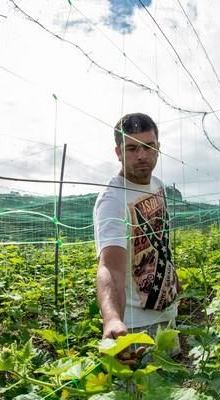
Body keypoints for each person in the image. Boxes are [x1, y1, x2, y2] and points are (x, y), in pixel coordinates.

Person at [93, 112, 180, 342]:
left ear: (158, 147)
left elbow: (160, 240)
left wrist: (173, 280)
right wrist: (112, 319)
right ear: (118, 153)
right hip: (135, 328)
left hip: (167, 314)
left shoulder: (158, 185)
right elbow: (111, 267)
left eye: (148, 146)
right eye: (132, 149)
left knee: (172, 377)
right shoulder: (112, 200)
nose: (142, 155)